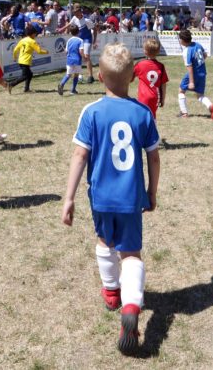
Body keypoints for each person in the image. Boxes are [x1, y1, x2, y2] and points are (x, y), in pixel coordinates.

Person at [61, 42, 161, 355]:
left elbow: (80, 155)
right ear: (133, 78)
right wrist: (151, 191)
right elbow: (154, 158)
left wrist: (69, 197)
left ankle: (111, 292)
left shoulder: (91, 112)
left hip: (101, 197)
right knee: (131, 254)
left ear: (100, 77)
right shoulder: (142, 112)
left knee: (105, 243)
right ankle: (131, 307)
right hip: (131, 197)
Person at [177, 30, 213, 121]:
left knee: (181, 91)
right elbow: (205, 55)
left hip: (193, 74)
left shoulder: (186, 51)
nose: (179, 41)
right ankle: (210, 105)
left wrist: (191, 82)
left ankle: (184, 113)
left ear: (183, 40)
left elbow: (190, 67)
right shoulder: (197, 45)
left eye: (180, 39)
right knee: (200, 95)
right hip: (202, 73)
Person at [59, 4, 97, 83]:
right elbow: (69, 24)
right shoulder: (74, 18)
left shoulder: (87, 20)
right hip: (79, 40)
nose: (75, 14)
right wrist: (61, 29)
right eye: (74, 12)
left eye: (76, 12)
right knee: (78, 56)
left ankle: (90, 76)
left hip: (87, 39)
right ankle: (78, 75)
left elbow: (95, 29)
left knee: (86, 56)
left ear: (80, 11)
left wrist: (94, 41)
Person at [133, 37, 168, 119]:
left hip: (143, 96)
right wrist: (162, 99)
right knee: (152, 116)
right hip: (155, 97)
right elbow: (163, 85)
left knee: (142, 117)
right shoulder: (161, 66)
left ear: (145, 51)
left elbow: (130, 77)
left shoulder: (140, 64)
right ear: (158, 51)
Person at [9, 25, 48, 93]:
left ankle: (26, 89)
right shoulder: (32, 41)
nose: (35, 35)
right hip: (25, 61)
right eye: (35, 33)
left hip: (20, 60)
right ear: (32, 33)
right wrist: (46, 52)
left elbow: (15, 50)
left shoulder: (22, 40)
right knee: (24, 76)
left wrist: (15, 57)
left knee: (29, 74)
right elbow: (39, 51)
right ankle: (11, 84)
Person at [57, 24, 84, 96]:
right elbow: (81, 51)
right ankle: (73, 90)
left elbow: (66, 52)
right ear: (78, 32)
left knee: (68, 74)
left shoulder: (69, 40)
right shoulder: (80, 40)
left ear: (71, 32)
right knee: (76, 75)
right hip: (77, 60)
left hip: (69, 60)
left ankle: (61, 84)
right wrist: (84, 57)